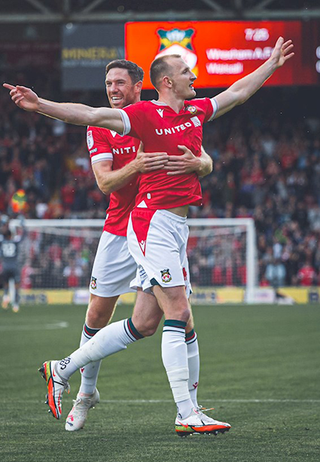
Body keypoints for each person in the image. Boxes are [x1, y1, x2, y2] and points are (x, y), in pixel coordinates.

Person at [4, 36, 294, 436]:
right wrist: (41, 106)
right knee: (177, 311)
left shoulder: (194, 111)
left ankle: (64, 367)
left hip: (175, 227)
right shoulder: (143, 115)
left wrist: (271, 64)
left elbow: (237, 93)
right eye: (186, 72)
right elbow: (89, 114)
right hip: (148, 223)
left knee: (147, 322)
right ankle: (184, 413)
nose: (194, 76)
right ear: (167, 83)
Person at [63, 59, 212, 432]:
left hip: (157, 223)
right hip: (122, 229)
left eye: (118, 83)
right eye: (107, 84)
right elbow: (105, 183)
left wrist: (204, 164)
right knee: (97, 315)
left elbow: (198, 153)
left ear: (138, 85)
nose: (112, 90)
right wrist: (139, 165)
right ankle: (86, 392)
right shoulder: (104, 127)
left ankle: (187, 410)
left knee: (153, 320)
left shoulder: (159, 115)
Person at [0, 219, 26, 313]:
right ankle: (15, 304)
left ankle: (6, 296)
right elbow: (23, 237)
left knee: (6, 284)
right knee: (16, 286)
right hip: (14, 266)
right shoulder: (15, 242)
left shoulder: (2, 242)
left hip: (5, 266)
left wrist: (2, 225)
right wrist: (23, 226)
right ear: (11, 235)